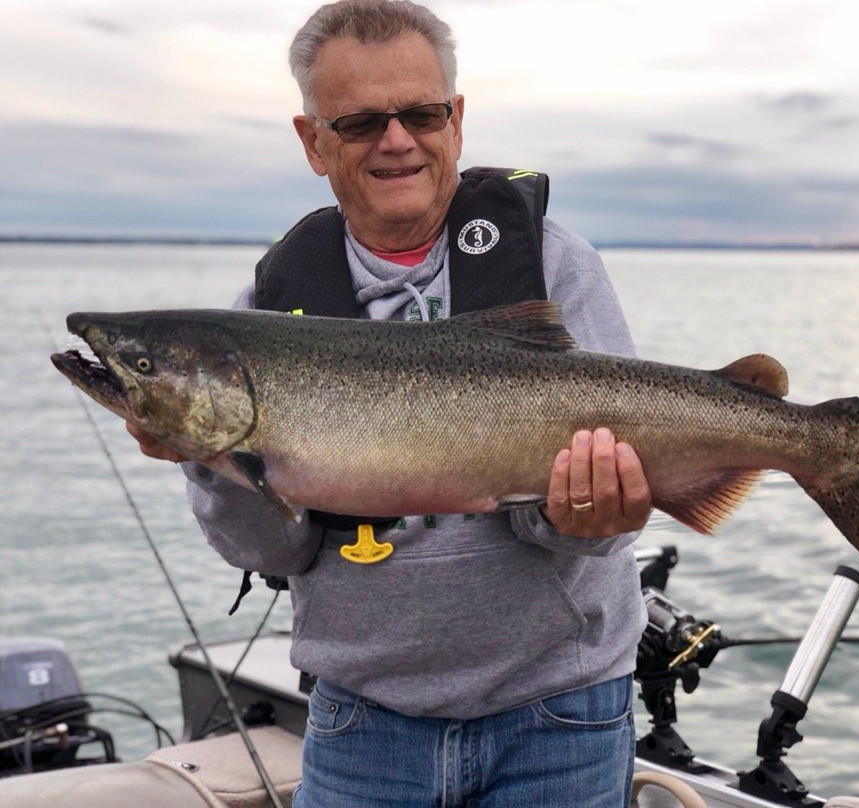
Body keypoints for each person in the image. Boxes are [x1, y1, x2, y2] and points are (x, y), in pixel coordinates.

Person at [130, 1, 653, 805]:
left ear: (456, 120)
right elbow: (270, 551)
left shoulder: (553, 265)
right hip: (360, 725)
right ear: (313, 141)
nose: (397, 140)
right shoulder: (270, 313)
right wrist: (211, 464)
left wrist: (587, 517)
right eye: (361, 121)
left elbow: (593, 540)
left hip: (561, 711)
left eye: (420, 113)